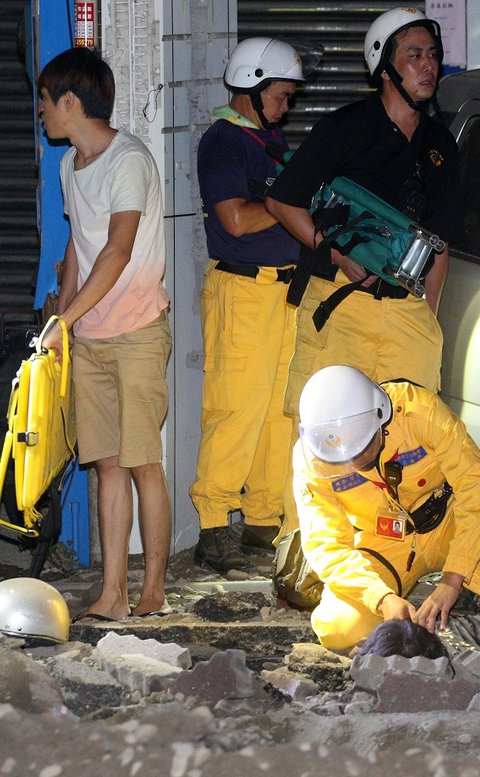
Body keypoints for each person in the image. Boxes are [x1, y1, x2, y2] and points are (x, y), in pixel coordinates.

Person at [265, 6, 461, 420]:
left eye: (432, 54)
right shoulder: (346, 127)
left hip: (408, 314)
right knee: (326, 440)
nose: (428, 65)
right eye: (414, 55)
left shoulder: (442, 144)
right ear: (385, 69)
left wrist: (428, 317)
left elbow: (440, 244)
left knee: (410, 442)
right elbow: (282, 200)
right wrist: (337, 254)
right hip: (342, 306)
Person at [38, 47, 172, 622]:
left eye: (44, 101)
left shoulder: (129, 160)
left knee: (144, 464)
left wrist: (65, 319)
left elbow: (118, 250)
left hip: (138, 330)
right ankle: (112, 593)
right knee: (108, 465)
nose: (40, 113)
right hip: (90, 337)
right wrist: (63, 319)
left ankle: (154, 589)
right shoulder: (70, 166)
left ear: (70, 102)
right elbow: (79, 247)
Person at [188, 38, 318, 575]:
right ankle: (213, 524)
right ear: (254, 87)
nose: (287, 106)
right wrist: (284, 200)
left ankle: (264, 518)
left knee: (279, 412)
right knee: (235, 408)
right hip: (241, 291)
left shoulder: (267, 140)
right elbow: (235, 220)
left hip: (282, 290)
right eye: (282, 96)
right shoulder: (223, 143)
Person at [292, 365, 480, 651]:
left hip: (446, 523)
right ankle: (397, 621)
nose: (354, 464)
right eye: (343, 459)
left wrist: (453, 580)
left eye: (361, 450)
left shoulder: (419, 411)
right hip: (385, 543)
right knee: (336, 626)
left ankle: (465, 594)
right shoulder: (312, 459)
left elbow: (477, 487)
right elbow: (326, 545)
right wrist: (381, 599)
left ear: (381, 418)